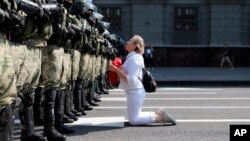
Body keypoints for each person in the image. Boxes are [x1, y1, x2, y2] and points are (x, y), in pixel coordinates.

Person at [109, 35, 176, 126]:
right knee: (134, 117)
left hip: (135, 91)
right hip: (134, 91)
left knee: (134, 120)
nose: (127, 42)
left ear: (134, 46)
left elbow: (131, 79)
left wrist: (116, 70)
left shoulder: (134, 59)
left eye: (130, 41)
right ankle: (157, 114)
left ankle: (160, 117)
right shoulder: (132, 57)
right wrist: (118, 68)